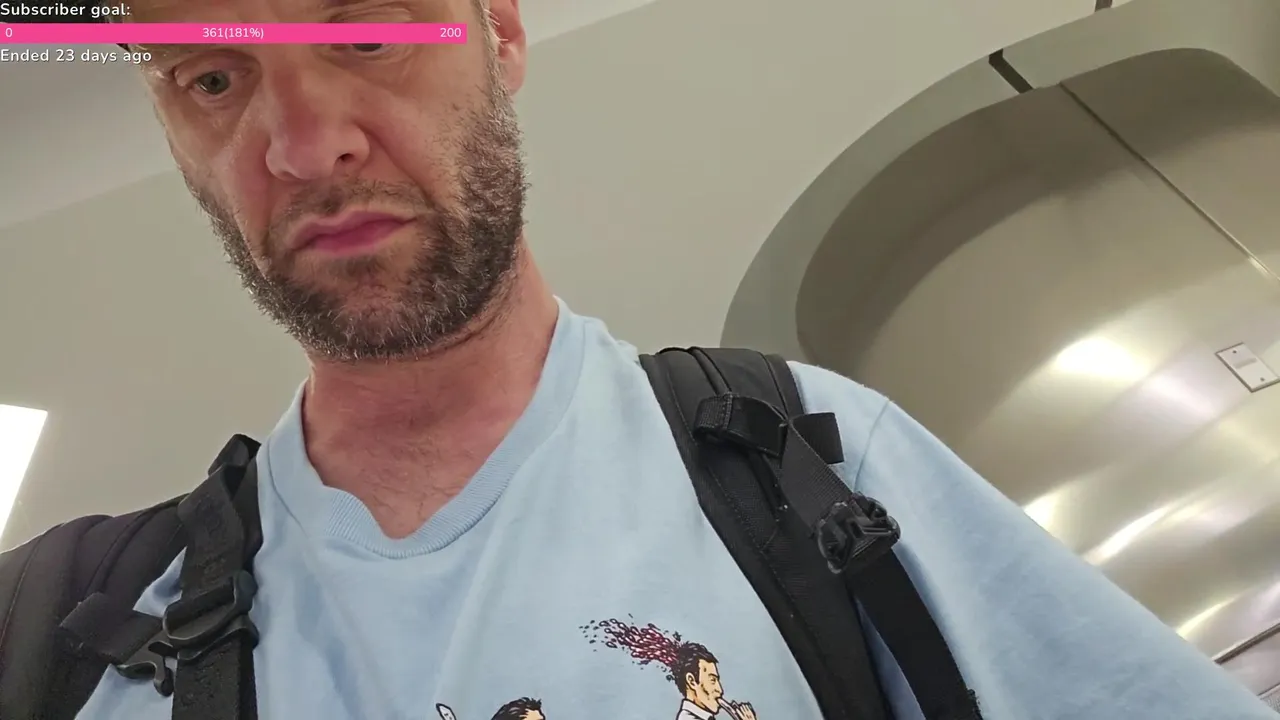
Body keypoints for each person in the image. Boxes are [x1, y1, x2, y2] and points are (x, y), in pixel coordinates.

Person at [6, 0, 1274, 717]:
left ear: (502, 34)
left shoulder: (805, 463)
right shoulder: (69, 632)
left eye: (369, 30)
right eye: (211, 78)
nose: (300, 145)